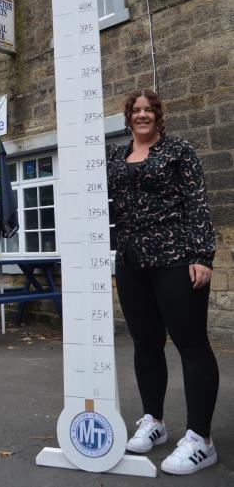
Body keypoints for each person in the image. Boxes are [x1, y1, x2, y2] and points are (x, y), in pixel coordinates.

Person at [107, 88, 219, 475]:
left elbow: (197, 202)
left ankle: (200, 439)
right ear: (128, 116)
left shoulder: (178, 151)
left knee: (192, 345)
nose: (142, 115)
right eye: (136, 110)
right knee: (146, 344)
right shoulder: (115, 157)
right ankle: (153, 421)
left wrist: (202, 256)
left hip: (175, 260)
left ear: (158, 115)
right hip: (131, 263)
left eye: (148, 110)